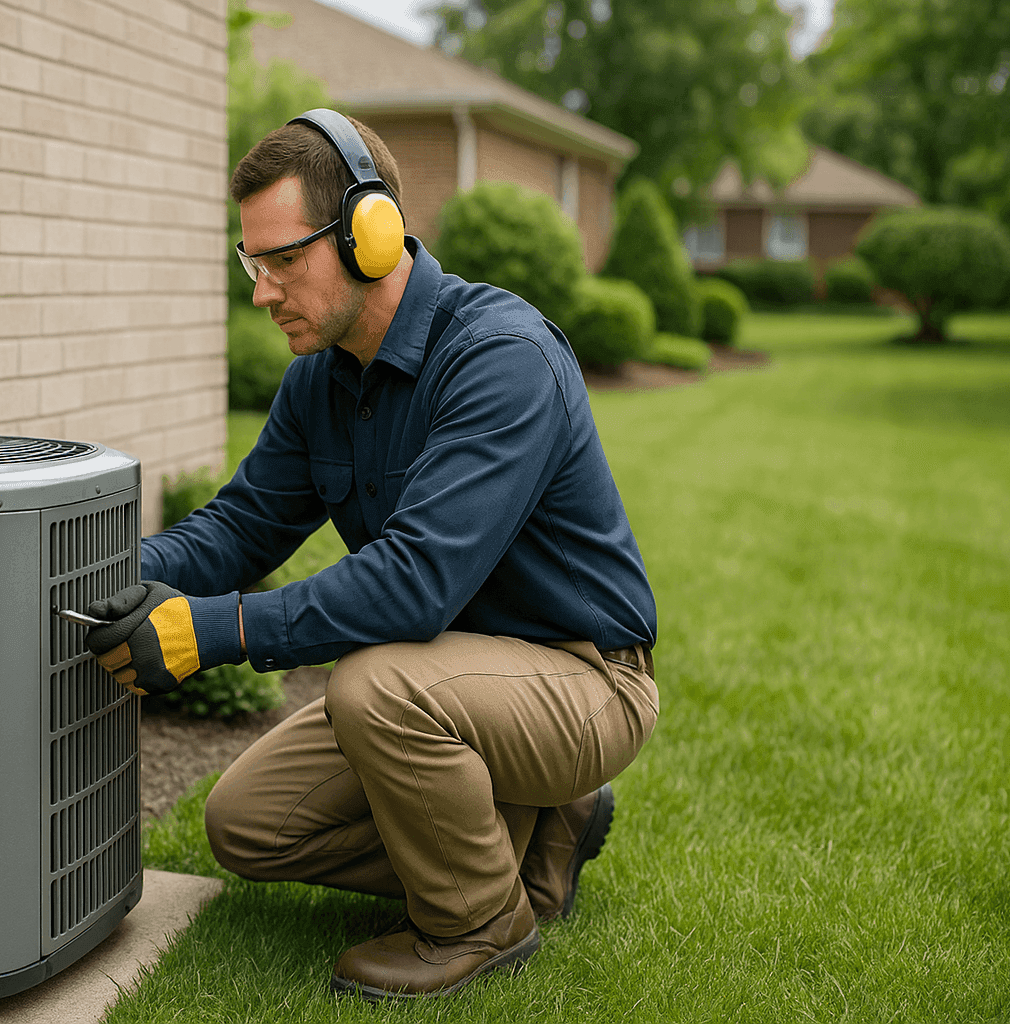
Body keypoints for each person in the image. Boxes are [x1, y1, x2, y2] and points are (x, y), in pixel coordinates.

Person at [86, 109, 659, 1002]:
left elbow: (415, 584)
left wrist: (213, 630)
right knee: (248, 826)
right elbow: (240, 527)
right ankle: (534, 836)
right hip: (446, 682)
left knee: (372, 685)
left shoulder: (500, 359)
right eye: (253, 263)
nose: (262, 292)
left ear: (372, 233)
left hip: (583, 680)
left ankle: (477, 921)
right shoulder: (321, 378)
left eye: (283, 261)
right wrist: (104, 576)